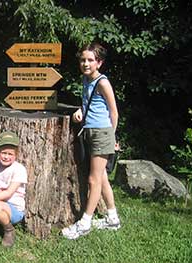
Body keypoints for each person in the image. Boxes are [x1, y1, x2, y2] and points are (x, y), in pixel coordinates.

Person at [62, 42, 120, 240]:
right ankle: (112, 218)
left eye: (90, 60)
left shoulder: (103, 82)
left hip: (102, 133)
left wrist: (112, 137)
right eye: (83, 60)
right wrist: (80, 110)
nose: (85, 63)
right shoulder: (85, 80)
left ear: (99, 63)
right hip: (90, 131)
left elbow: (113, 112)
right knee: (101, 176)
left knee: (93, 179)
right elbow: (91, 104)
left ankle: (84, 223)